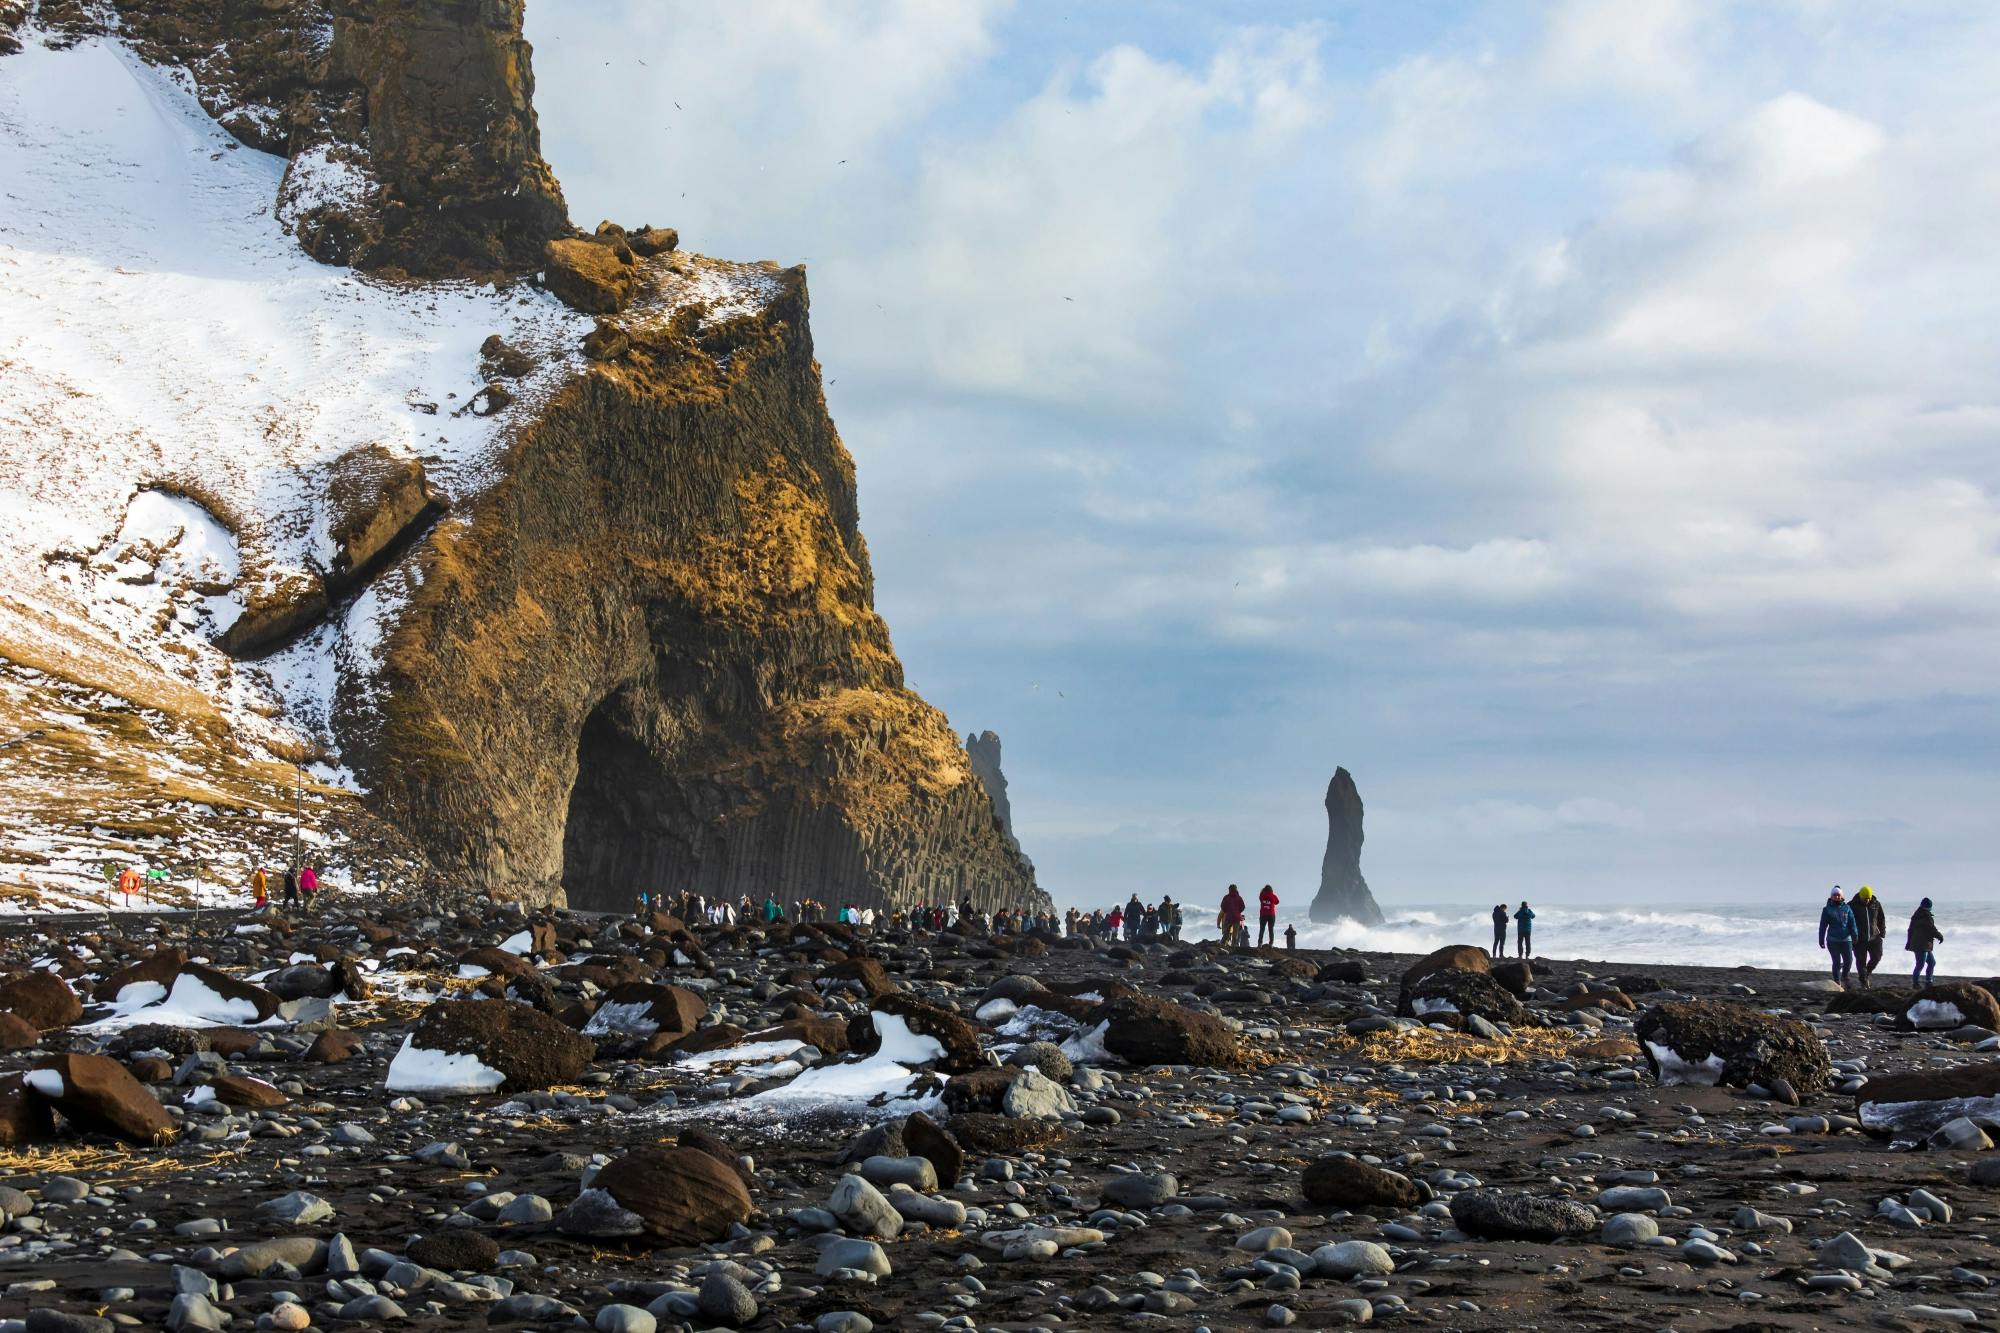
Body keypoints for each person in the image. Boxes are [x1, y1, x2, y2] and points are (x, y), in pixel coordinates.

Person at [1818, 888, 1857, 987]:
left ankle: (1844, 976)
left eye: (1838, 895)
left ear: (1842, 896)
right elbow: (1823, 926)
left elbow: (1852, 923)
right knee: (1836, 962)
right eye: (1835, 895)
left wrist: (1855, 935)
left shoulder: (1847, 908)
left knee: (1849, 960)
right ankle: (1837, 982)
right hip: (1832, 940)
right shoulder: (1827, 910)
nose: (1837, 896)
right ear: (1831, 896)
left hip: (1846, 940)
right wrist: (1821, 940)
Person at [1851, 885, 1887, 988]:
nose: (1866, 900)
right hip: (1859, 939)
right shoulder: (1852, 905)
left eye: (1868, 898)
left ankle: (1866, 973)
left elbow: (1881, 919)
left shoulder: (1876, 904)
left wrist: (1882, 932)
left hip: (1874, 937)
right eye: (1864, 898)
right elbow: (1849, 922)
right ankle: (1863, 981)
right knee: (1861, 961)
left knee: (1877, 957)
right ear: (1860, 896)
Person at [1907, 897, 1943, 986]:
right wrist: (1940, 936)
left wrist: (1909, 943)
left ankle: (1928, 981)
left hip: (1921, 944)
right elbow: (1932, 929)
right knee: (1920, 965)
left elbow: (1910, 930)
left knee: (1931, 962)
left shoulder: (1916, 915)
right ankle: (1916, 983)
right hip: (1922, 945)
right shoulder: (1926, 916)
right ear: (1928, 907)